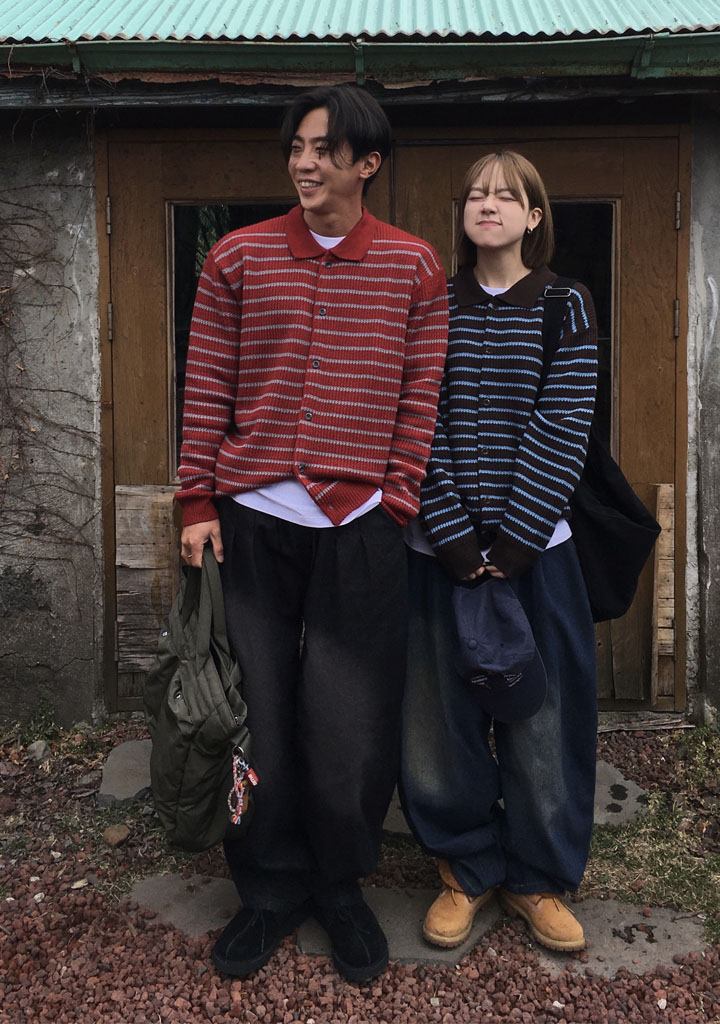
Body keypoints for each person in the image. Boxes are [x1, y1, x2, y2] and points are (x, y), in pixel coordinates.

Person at [175, 84, 448, 982]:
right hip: (254, 521)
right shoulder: (238, 257)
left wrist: (397, 498)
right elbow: (206, 381)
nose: (303, 162)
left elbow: (421, 393)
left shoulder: (413, 266)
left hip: (363, 526)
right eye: (296, 146)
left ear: (367, 163)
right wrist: (197, 502)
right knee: (257, 713)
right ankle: (266, 887)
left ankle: (340, 884)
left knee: (352, 720)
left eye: (324, 149)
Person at [401, 151, 599, 952]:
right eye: (477, 194)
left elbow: (565, 421)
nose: (489, 205)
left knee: (543, 719)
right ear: (462, 213)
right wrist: (451, 532)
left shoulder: (564, 305)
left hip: (538, 553)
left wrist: (516, 539)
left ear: (534, 217)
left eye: (507, 196)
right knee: (437, 721)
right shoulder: (433, 304)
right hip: (438, 552)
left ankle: (536, 877)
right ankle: (465, 868)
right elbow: (418, 416)